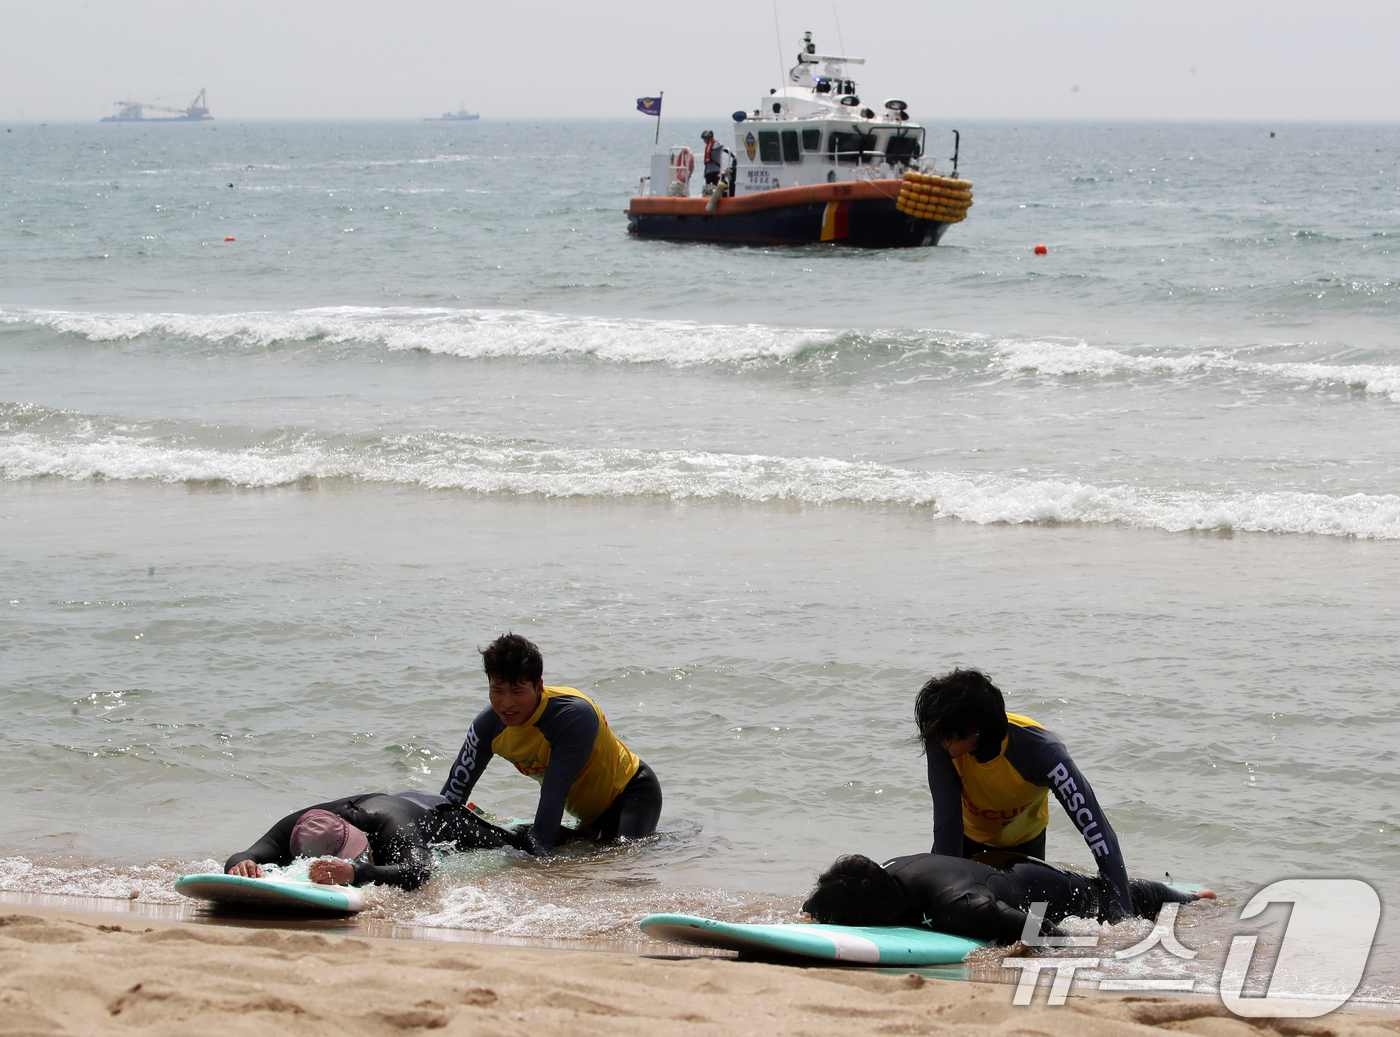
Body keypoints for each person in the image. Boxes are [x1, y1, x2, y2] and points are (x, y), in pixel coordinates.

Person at [917, 668, 1134, 917]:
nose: (934, 734)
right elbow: (946, 822)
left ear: (975, 732)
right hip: (964, 840)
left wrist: (1123, 913)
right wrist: (946, 897)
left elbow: (1096, 830)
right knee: (939, 906)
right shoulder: (941, 743)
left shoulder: (1042, 752)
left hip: (1025, 848)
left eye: (944, 730)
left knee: (1031, 931)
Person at [440, 633, 662, 856]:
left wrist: (537, 865)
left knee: (620, 859)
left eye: (517, 691)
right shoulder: (487, 727)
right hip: (588, 817)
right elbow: (452, 796)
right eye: (497, 690)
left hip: (632, 794)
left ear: (538, 687)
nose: (506, 703)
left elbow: (554, 792)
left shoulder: (573, 715)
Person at [802, 850, 1215, 945]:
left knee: (1103, 897)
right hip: (988, 866)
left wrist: (1014, 950)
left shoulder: (961, 908)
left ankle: (1191, 898)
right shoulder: (874, 876)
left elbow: (1048, 932)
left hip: (1035, 884)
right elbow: (821, 900)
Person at [224, 791, 522, 891]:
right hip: (398, 800)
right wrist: (241, 864)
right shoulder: (302, 826)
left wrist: (357, 873)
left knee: (521, 845)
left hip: (441, 814)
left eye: (354, 853)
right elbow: (247, 854)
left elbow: (420, 871)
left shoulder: (391, 825)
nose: (355, 859)